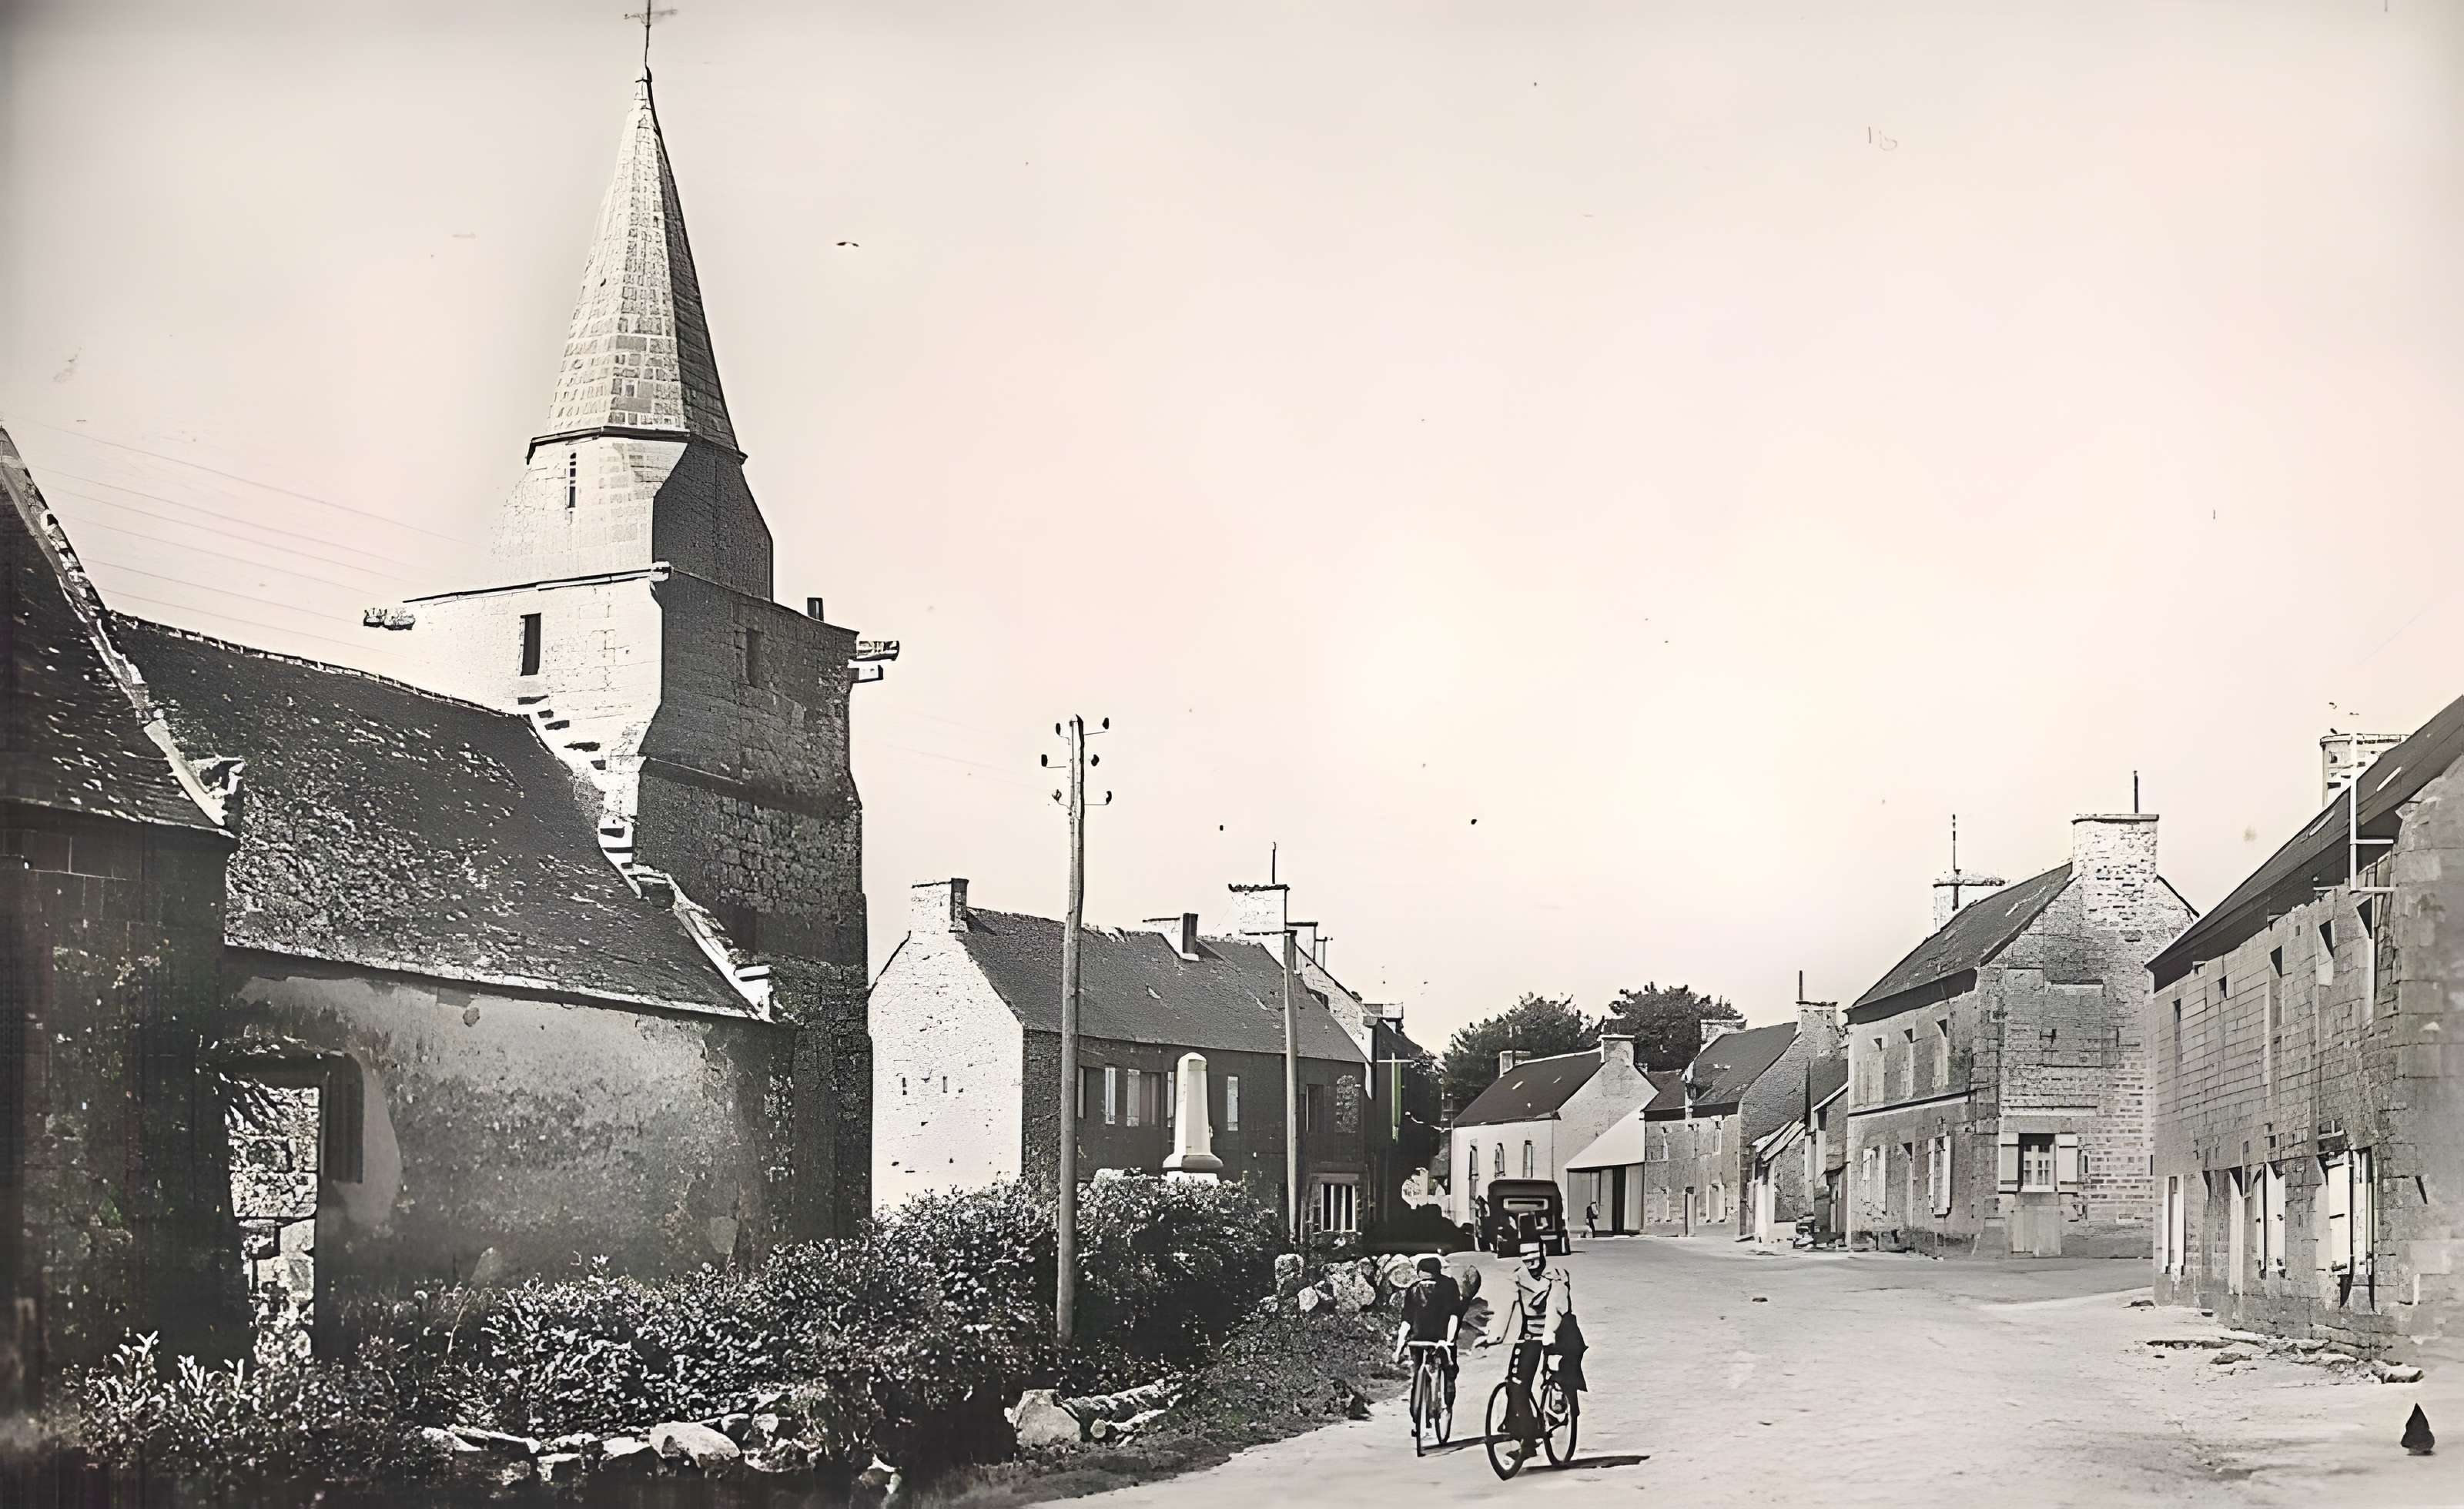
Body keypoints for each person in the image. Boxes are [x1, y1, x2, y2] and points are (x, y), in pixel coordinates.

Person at [1478, 1240, 1584, 1463]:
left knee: (1560, 1375)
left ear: (1543, 1253)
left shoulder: (1556, 1276)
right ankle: (1525, 1437)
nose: (1530, 1264)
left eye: (1534, 1258)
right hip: (1530, 1336)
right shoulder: (1518, 1277)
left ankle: (1559, 1401)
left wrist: (1550, 1335)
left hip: (1558, 1335)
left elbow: (1557, 1306)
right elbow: (1508, 1307)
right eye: (1525, 1259)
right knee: (1515, 1384)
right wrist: (1494, 1336)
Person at [1390, 1254, 1464, 1409]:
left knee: (1418, 1374)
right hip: (1441, 1339)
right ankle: (1447, 1390)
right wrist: (1450, 1342)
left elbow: (1407, 1320)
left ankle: (1418, 1408)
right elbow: (1454, 1315)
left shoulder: (1413, 1289)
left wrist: (1399, 1348)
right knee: (1448, 1369)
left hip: (1418, 1338)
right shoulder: (1449, 1285)